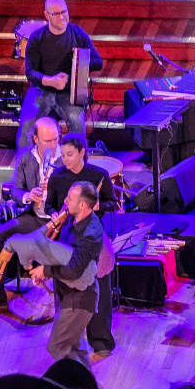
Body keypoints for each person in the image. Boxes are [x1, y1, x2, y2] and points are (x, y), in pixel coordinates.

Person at [44, 133, 117, 357]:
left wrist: (98, 207)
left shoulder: (98, 175)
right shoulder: (57, 177)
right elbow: (49, 205)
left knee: (98, 293)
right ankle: (66, 343)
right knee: (64, 291)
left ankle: (101, 341)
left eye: (70, 154)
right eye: (63, 155)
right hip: (66, 238)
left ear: (82, 152)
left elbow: (113, 204)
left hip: (92, 238)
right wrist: (54, 213)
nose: (65, 159)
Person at [0, 117, 63, 307]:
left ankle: (64, 302)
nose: (53, 145)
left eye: (56, 139)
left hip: (60, 221)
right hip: (35, 217)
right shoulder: (25, 157)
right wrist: (28, 195)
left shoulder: (65, 157)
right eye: (48, 141)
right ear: (36, 139)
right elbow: (15, 190)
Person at [30, 182, 103, 369]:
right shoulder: (72, 217)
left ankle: (75, 380)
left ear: (82, 205)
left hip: (80, 298)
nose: (65, 200)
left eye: (70, 198)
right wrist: (46, 270)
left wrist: (45, 271)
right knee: (75, 348)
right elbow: (61, 253)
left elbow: (74, 270)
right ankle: (85, 381)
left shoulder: (91, 233)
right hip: (65, 291)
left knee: (58, 346)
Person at [17, 0, 103, 149]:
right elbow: (30, 72)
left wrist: (77, 62)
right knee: (27, 125)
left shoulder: (78, 33)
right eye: (56, 14)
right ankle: (25, 163)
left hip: (68, 92)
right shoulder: (37, 38)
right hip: (41, 90)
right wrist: (50, 81)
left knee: (77, 124)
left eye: (64, 12)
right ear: (46, 15)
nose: (62, 17)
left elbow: (98, 62)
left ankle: (75, 161)